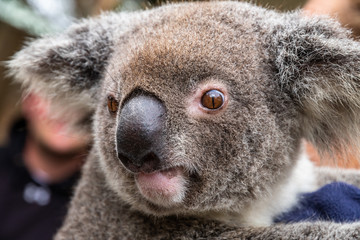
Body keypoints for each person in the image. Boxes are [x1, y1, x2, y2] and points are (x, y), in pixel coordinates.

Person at [0, 93, 91, 240]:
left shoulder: (108, 209)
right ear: (28, 100)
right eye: (52, 95)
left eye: (78, 100)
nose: (64, 112)